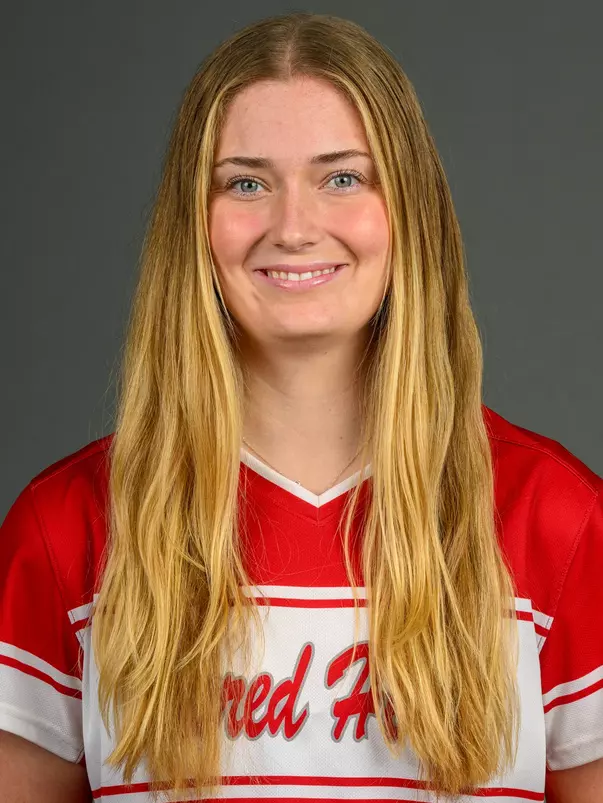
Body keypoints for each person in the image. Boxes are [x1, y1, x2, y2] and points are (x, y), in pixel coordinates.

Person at [0, 11, 601, 803]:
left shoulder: (555, 518)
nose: (292, 226)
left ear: (407, 211)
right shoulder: (68, 525)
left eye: (342, 177)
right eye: (245, 182)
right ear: (194, 223)